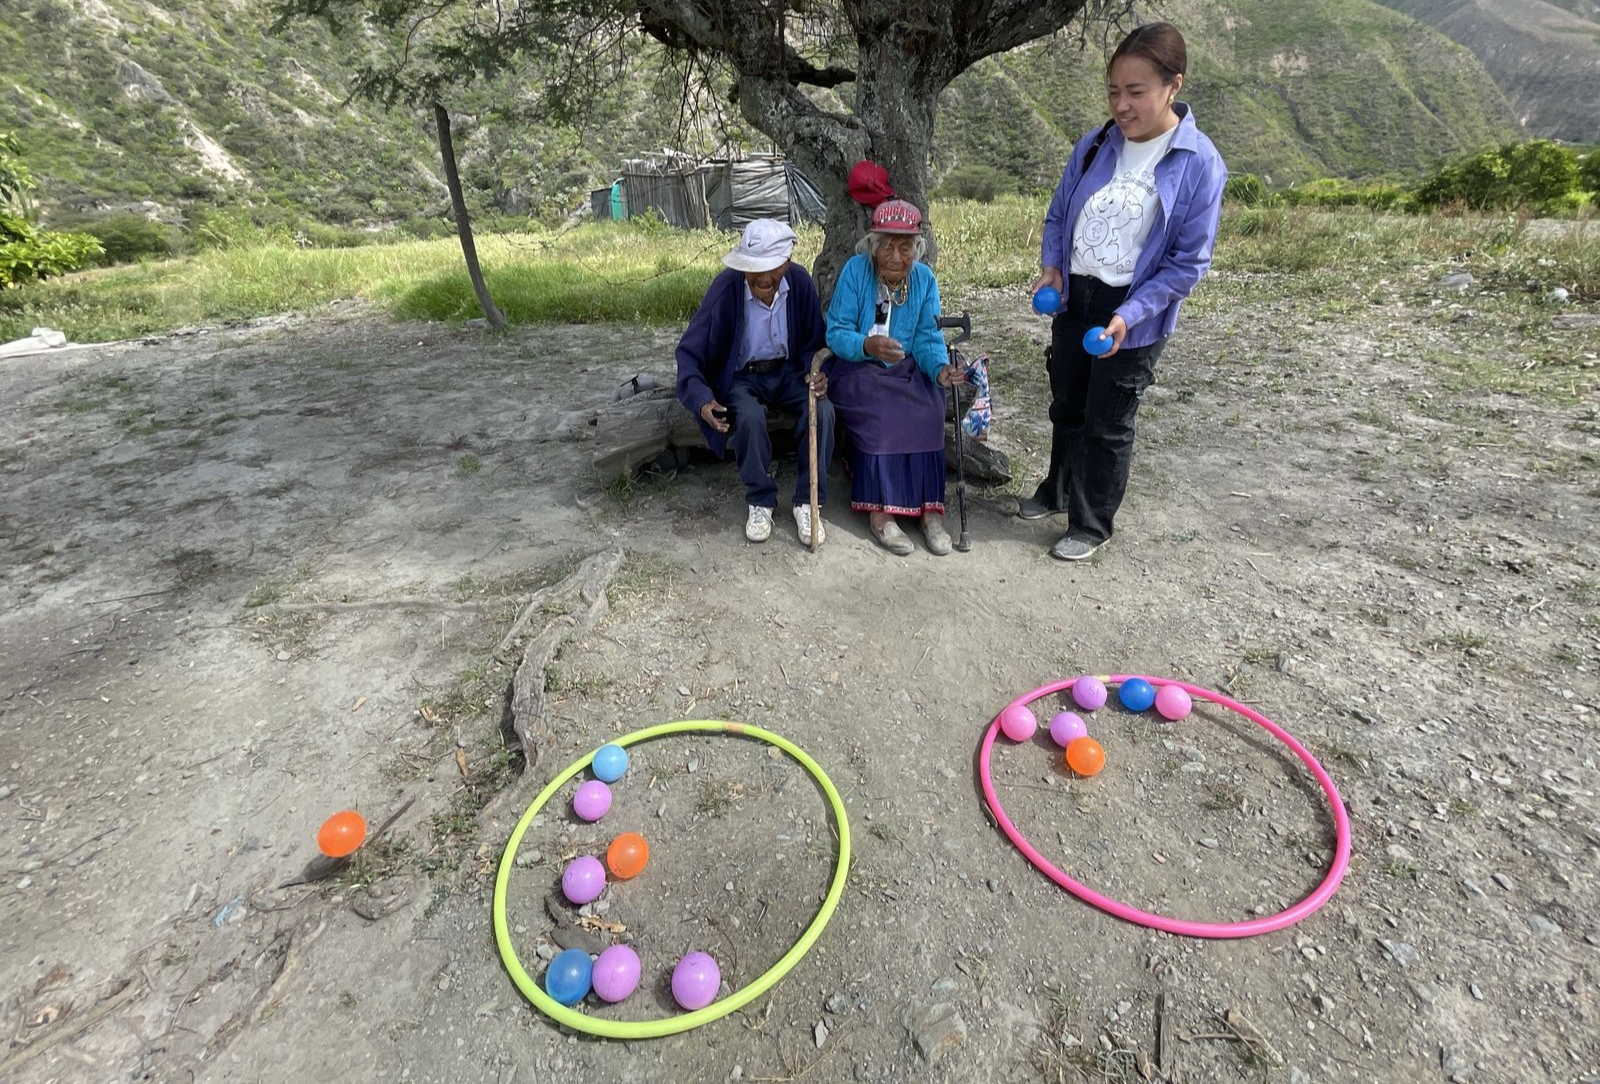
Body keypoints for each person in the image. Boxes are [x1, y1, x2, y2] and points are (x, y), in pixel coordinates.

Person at [1022, 21, 1227, 561]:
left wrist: (1131, 314)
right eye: (1114, 90)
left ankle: (1090, 524)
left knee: (1108, 422)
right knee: (1067, 404)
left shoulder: (1199, 163)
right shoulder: (1096, 145)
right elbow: (1059, 214)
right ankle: (1057, 490)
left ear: (1173, 85)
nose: (1121, 105)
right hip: (1075, 296)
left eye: (1136, 91)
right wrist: (1052, 267)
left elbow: (1187, 263)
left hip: (1131, 312)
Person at [676, 219, 833, 546]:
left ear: (786, 263)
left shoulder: (799, 283)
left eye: (771, 269)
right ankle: (760, 498)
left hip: (789, 372)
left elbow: (815, 342)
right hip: (743, 375)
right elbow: (690, 350)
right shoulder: (726, 288)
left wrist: (817, 373)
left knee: (823, 410)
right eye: (754, 269)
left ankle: (808, 500)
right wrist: (700, 397)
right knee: (747, 416)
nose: (763, 278)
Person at [825, 199, 963, 556]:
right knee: (884, 413)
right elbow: (836, 332)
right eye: (887, 246)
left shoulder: (924, 279)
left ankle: (929, 512)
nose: (896, 256)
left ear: (916, 249)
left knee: (930, 407)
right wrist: (866, 345)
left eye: (905, 248)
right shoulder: (855, 272)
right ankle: (881, 513)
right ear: (873, 246)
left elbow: (928, 337)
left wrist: (940, 369)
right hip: (857, 366)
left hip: (907, 366)